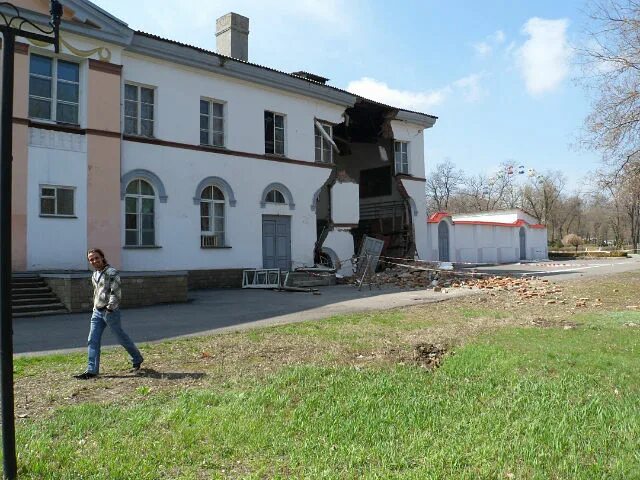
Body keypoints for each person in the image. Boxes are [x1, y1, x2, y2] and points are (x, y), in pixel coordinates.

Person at [74, 248, 144, 379]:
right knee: (92, 340)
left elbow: (116, 292)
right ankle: (91, 371)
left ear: (102, 257)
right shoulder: (94, 274)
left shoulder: (111, 272)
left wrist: (110, 308)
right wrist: (95, 307)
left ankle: (137, 358)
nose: (94, 261)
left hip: (110, 312)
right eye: (91, 259)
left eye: (96, 258)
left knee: (120, 337)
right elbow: (97, 292)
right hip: (97, 312)